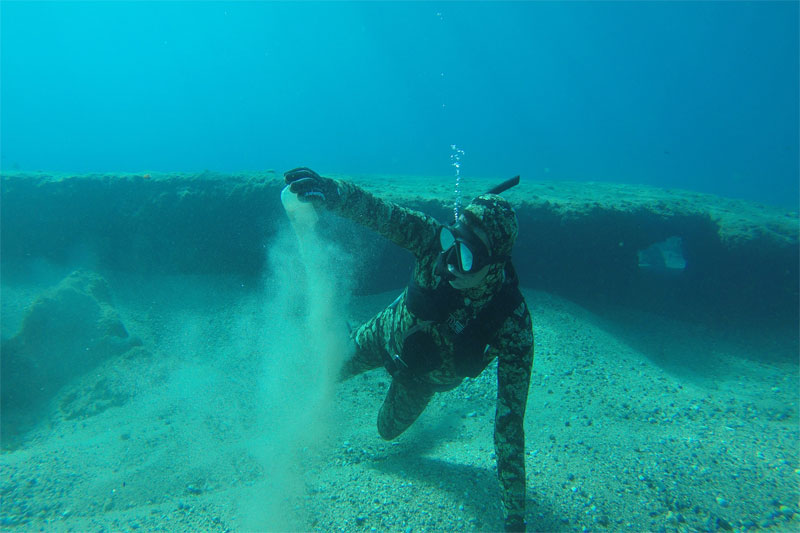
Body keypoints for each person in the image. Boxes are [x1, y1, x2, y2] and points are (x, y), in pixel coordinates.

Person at [284, 167, 534, 532]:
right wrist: (330, 191)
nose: (450, 260)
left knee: (386, 430)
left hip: (418, 382)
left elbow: (509, 424)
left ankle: (428, 421)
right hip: (383, 333)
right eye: (453, 239)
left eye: (467, 256)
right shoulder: (433, 242)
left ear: (495, 265)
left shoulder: (511, 325)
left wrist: (515, 516)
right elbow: (381, 214)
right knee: (328, 370)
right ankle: (344, 334)